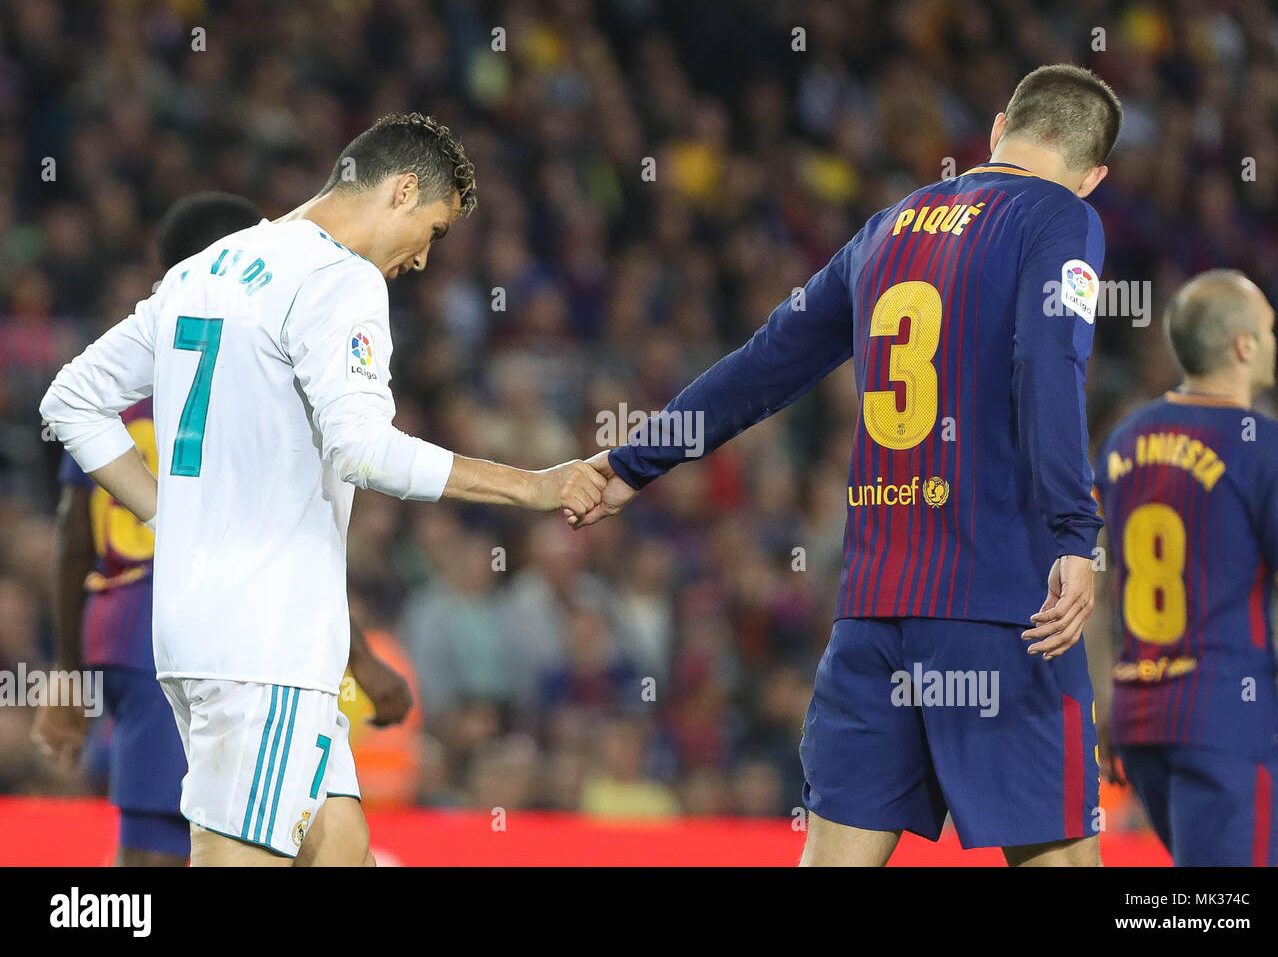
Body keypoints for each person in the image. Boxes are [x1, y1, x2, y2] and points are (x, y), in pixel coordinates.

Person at [577, 65, 1121, 866]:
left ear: (1000, 126)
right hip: (1005, 605)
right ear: (1095, 176)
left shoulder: (886, 228)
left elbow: (767, 362)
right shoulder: (1062, 218)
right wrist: (1076, 532)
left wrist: (632, 463)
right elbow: (1049, 360)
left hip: (873, 614)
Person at [40, 114, 607, 866]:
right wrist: (531, 487)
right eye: (433, 230)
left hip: (208, 632)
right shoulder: (340, 279)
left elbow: (71, 397)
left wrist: (171, 516)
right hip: (263, 647)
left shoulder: (207, 268)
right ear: (401, 190)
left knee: (340, 847)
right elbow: (366, 449)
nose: (424, 260)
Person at [1088, 270, 1278, 866]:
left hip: (1139, 716)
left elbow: (1096, 591)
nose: (1276, 340)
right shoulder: (1267, 444)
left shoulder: (1124, 440)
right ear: (1244, 345)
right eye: (1269, 328)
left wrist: (1103, 701)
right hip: (1224, 718)